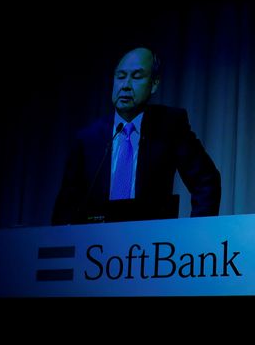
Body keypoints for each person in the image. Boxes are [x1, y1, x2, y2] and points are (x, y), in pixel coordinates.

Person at [52, 47, 221, 225]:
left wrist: (196, 233)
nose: (125, 85)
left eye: (136, 77)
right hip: (96, 245)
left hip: (150, 244)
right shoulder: (87, 138)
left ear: (154, 83)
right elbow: (66, 205)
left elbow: (206, 181)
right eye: (121, 76)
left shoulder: (170, 125)